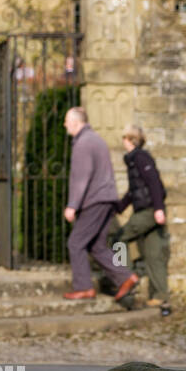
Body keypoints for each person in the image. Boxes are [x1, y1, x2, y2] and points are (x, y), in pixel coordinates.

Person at [62, 107, 139, 303]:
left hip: (94, 201)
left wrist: (72, 205)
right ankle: (125, 276)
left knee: (75, 243)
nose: (64, 125)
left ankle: (84, 288)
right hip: (107, 200)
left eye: (66, 121)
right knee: (97, 246)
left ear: (76, 122)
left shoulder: (83, 143)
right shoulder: (96, 139)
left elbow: (81, 178)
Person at [109, 125, 170, 308]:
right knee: (153, 254)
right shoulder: (134, 160)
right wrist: (119, 207)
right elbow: (134, 190)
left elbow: (154, 183)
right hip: (150, 211)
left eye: (124, 138)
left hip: (149, 211)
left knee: (119, 239)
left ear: (130, 139)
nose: (122, 142)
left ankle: (124, 280)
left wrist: (158, 209)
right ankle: (160, 296)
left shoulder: (140, 157)